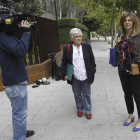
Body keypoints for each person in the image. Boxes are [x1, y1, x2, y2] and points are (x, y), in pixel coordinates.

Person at [0, 20, 35, 139]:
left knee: (21, 113)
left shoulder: (8, 37)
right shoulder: (3, 37)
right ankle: (19, 137)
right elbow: (20, 52)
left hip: (16, 82)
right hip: (15, 84)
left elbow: (26, 49)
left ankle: (21, 132)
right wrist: (25, 33)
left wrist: (28, 34)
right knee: (19, 114)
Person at [61, 28, 96, 119]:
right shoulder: (67, 48)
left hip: (85, 74)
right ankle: (79, 109)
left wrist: (92, 70)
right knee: (77, 94)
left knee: (87, 94)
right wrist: (65, 74)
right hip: (74, 75)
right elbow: (64, 62)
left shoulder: (87, 47)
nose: (79, 38)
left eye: (80, 36)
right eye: (76, 37)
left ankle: (88, 110)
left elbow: (92, 60)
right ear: (72, 38)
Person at [116, 12, 140, 131]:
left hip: (135, 70)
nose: (127, 22)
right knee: (127, 94)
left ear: (134, 22)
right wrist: (117, 43)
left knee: (138, 95)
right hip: (122, 70)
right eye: (125, 20)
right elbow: (119, 54)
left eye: (130, 20)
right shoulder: (121, 36)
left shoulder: (138, 36)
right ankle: (131, 115)